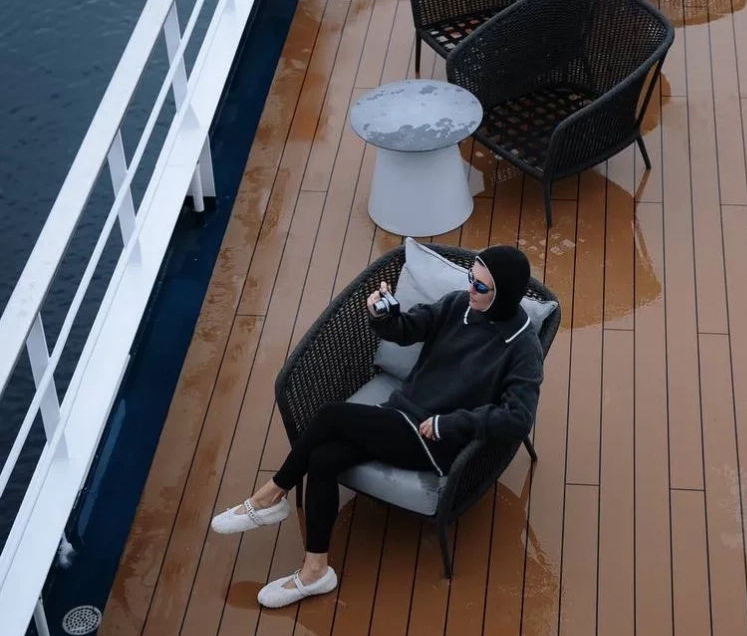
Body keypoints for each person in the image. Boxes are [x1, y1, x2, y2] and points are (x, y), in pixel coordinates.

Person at [210, 245, 544, 608]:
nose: (470, 289)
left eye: (480, 286)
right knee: (323, 459)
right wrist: (384, 316)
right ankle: (315, 571)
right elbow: (409, 328)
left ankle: (270, 497)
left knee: (331, 415)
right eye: (470, 279)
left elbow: (518, 419)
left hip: (435, 440)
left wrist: (452, 423)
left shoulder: (523, 348)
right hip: (400, 414)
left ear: (503, 294)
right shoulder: (457, 305)